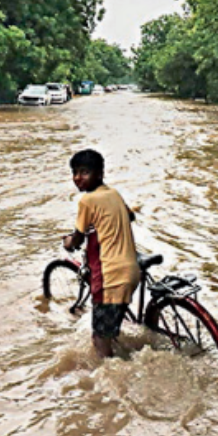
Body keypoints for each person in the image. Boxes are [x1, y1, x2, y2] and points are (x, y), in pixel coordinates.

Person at [62, 149, 139, 359]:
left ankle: (111, 385)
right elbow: (129, 217)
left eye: (84, 172)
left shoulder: (87, 201)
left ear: (100, 173)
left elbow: (76, 238)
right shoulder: (113, 193)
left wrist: (69, 242)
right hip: (131, 272)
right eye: (75, 172)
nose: (78, 178)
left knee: (99, 340)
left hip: (110, 276)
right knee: (110, 330)